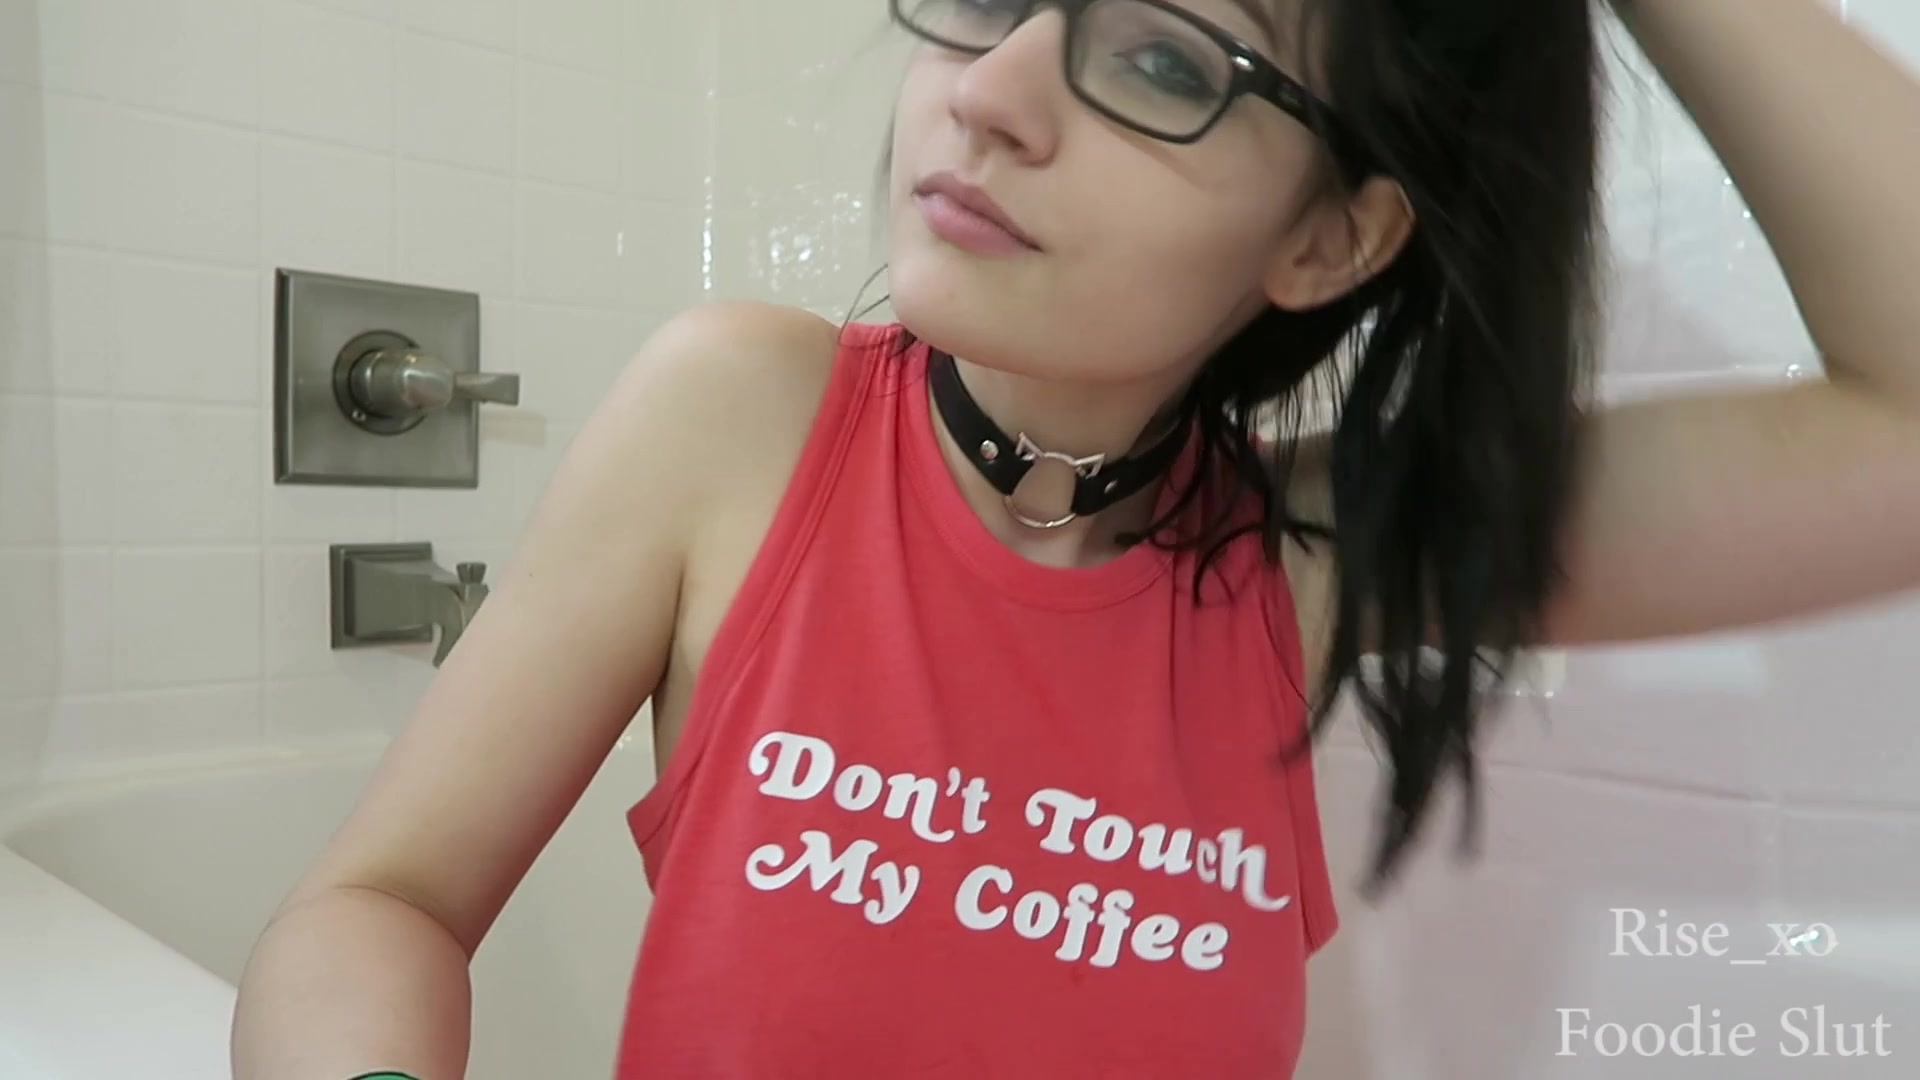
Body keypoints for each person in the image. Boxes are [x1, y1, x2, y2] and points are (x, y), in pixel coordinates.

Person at [232, 0, 1920, 1076]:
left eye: (1165, 62)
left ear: (1331, 240)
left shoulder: (1304, 562)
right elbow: (380, 903)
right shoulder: (745, 418)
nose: (991, 91)